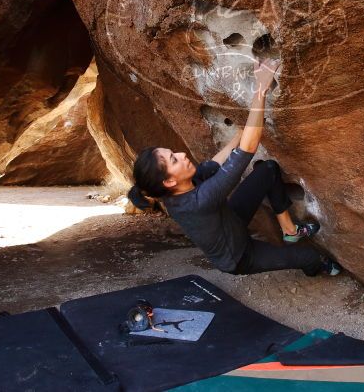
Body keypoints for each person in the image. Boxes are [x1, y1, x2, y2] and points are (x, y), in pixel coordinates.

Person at [128, 58, 341, 277]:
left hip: (232, 222)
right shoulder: (199, 201)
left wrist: (236, 138)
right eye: (174, 159)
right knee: (309, 256)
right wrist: (261, 87)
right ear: (169, 181)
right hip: (239, 256)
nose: (182, 155)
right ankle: (319, 267)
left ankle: (290, 230)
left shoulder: (180, 186)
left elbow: (215, 163)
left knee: (268, 169)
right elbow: (248, 149)